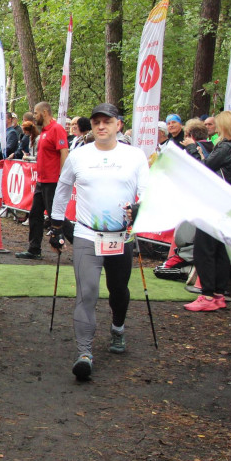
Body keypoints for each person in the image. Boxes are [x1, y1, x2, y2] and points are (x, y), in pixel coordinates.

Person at [48, 103, 149, 380]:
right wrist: (56, 224)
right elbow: (63, 188)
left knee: (118, 290)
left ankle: (117, 328)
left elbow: (147, 191)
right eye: (96, 122)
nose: (101, 126)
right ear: (91, 126)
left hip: (120, 236)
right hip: (86, 235)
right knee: (87, 292)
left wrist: (139, 208)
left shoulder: (135, 155)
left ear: (118, 125)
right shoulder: (79, 156)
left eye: (107, 121)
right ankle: (84, 353)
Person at [184, 110, 231, 312]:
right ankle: (218, 294)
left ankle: (207, 295)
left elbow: (203, 168)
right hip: (227, 205)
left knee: (204, 250)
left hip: (214, 205)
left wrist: (193, 149)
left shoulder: (226, 147)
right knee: (220, 250)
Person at [16, 101, 69, 260]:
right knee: (35, 214)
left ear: (45, 112)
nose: (34, 116)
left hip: (52, 180)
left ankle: (79, 245)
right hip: (42, 180)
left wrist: (62, 177)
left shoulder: (57, 129)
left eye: (36, 113)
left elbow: (64, 153)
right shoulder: (44, 131)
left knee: (56, 216)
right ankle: (34, 248)